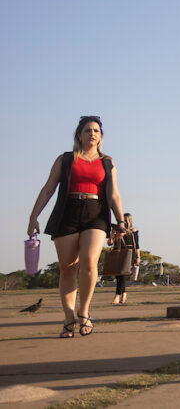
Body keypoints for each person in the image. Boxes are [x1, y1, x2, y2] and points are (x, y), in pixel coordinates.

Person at [28, 116, 127, 338]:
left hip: (95, 214)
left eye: (96, 130)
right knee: (67, 268)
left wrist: (120, 221)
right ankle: (68, 318)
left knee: (90, 263)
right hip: (67, 213)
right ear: (79, 135)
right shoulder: (65, 159)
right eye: (87, 130)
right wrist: (33, 217)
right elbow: (48, 189)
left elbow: (114, 195)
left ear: (101, 136)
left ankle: (84, 313)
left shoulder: (108, 162)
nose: (92, 134)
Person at [110, 213, 140, 305]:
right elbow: (110, 243)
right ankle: (124, 294)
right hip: (118, 253)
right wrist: (113, 235)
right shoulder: (116, 230)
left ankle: (117, 295)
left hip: (128, 254)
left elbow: (137, 245)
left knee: (123, 274)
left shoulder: (132, 231)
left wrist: (138, 257)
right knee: (118, 275)